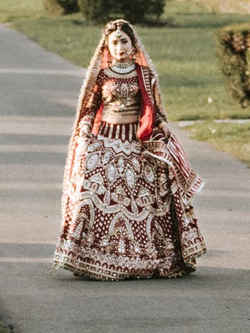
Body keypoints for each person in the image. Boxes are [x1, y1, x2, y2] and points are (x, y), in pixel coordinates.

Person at [53, 17, 205, 280]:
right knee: (90, 195)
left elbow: (153, 109)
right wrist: (85, 132)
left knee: (149, 202)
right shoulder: (102, 75)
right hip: (107, 142)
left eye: (124, 41)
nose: (120, 47)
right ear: (107, 47)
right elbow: (90, 108)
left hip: (137, 143)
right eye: (114, 43)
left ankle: (145, 260)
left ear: (133, 45)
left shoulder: (144, 74)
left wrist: (162, 126)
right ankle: (90, 260)